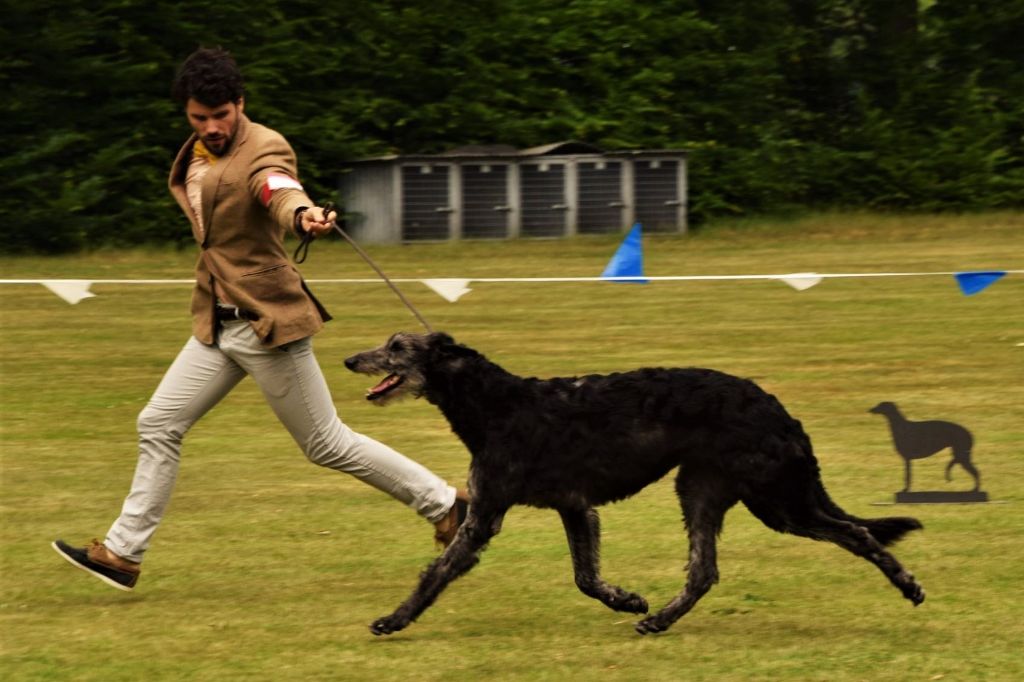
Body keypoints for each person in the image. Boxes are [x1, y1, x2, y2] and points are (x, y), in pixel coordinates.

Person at [52, 47, 467, 591]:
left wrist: (303, 215)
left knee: (326, 444)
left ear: (239, 104)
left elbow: (276, 187)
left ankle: (447, 505)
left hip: (265, 325)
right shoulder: (196, 152)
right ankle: (123, 553)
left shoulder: (264, 146)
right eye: (200, 117)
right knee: (159, 423)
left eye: (221, 115)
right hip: (216, 325)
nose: (212, 126)